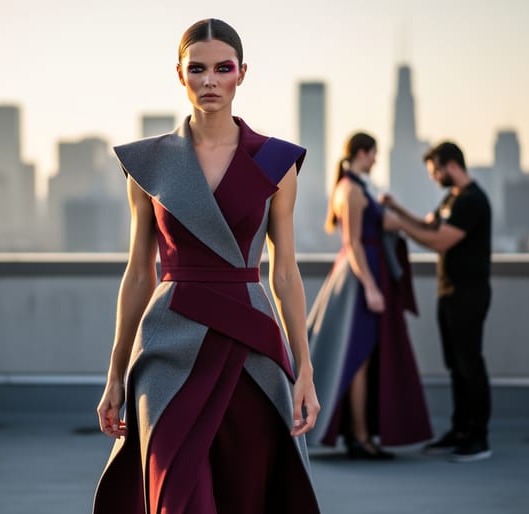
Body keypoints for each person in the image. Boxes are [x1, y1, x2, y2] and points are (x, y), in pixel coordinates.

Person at [93, 19, 321, 513]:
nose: (210, 81)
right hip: (167, 345)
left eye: (223, 68)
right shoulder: (148, 164)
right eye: (198, 69)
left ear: (242, 74)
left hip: (251, 349)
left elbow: (284, 274)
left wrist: (304, 371)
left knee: (246, 494)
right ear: (180, 74)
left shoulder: (276, 162)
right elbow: (137, 272)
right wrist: (115, 373)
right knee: (175, 496)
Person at [306, 132, 432, 460]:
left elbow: (386, 226)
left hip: (364, 276)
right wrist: (371, 287)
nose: (376, 160)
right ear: (362, 154)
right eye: (374, 154)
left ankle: (361, 436)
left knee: (363, 356)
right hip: (360, 280)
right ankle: (360, 437)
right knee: (358, 358)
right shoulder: (351, 191)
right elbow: (355, 243)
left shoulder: (357, 189)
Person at [381, 141, 493, 463]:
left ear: (451, 166)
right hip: (449, 292)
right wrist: (399, 209)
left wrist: (399, 225)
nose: (433, 178)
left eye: (435, 171)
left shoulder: (472, 201)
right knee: (456, 364)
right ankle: (460, 431)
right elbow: (430, 224)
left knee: (470, 364)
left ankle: (478, 437)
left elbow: (440, 241)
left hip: (469, 294)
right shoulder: (452, 198)